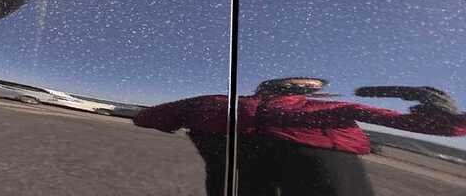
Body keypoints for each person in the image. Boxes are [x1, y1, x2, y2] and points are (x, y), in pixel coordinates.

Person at [134, 77, 466, 196]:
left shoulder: (212, 102)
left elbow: (149, 118)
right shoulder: (332, 108)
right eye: (309, 85)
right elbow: (440, 128)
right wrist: (440, 113)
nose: (314, 88)